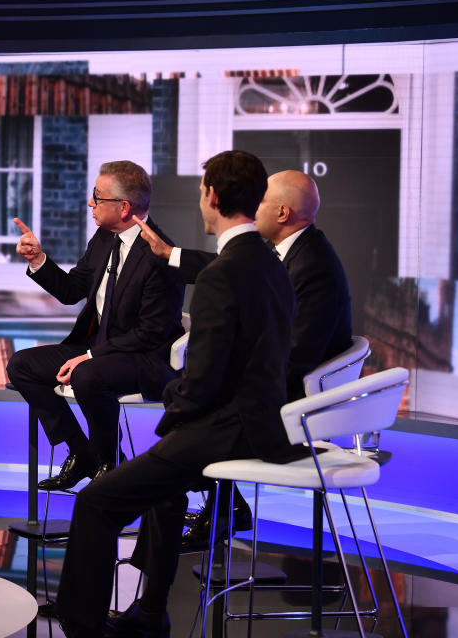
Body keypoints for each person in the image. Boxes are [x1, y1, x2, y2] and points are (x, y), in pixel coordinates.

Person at [54, 150, 299, 638]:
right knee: (160, 496)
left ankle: (81, 629)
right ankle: (149, 613)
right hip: (261, 425)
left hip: (224, 430)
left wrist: (171, 422)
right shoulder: (272, 262)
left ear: (210, 196)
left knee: (96, 504)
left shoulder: (220, 275)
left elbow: (202, 383)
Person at [135, 169, 352, 548]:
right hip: (268, 392)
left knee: (179, 421)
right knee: (179, 394)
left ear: (282, 213)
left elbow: (296, 356)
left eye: (260, 203)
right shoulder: (291, 251)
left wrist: (224, 382)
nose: (252, 210)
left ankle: (195, 528)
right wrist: (171, 254)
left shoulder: (313, 266)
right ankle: (220, 508)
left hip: (285, 405)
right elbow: (232, 268)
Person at [6, 160, 185, 491]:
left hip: (143, 356)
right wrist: (38, 260)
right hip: (98, 349)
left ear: (123, 207)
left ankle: (109, 463)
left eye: (97, 197)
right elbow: (73, 290)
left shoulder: (160, 254)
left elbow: (149, 333)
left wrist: (90, 356)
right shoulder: (105, 238)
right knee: (22, 365)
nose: (90, 203)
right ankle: (83, 452)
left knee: (88, 375)